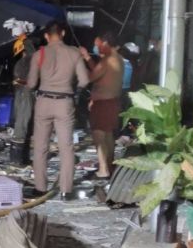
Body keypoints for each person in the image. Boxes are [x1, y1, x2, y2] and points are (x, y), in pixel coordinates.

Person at [28, 21, 89, 198]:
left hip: (44, 102)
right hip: (65, 102)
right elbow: (84, 81)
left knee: (40, 147)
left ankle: (40, 188)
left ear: (46, 36)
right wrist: (73, 90)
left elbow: (31, 83)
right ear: (62, 33)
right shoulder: (74, 53)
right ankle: (66, 190)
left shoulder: (39, 54)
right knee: (66, 147)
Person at [80, 31, 124, 179]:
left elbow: (91, 77)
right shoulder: (117, 59)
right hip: (113, 102)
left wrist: (78, 64)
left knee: (99, 135)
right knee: (108, 134)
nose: (96, 48)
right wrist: (87, 58)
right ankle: (109, 165)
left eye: (97, 44)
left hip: (104, 103)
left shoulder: (107, 61)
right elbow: (100, 74)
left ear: (105, 44)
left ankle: (103, 170)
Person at [10, 34, 42, 164]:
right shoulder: (27, 62)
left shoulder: (24, 61)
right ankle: (16, 159)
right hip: (25, 93)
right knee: (22, 125)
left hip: (24, 93)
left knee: (25, 125)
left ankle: (22, 158)